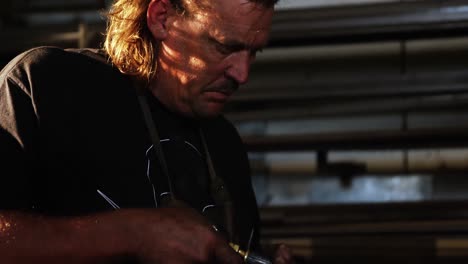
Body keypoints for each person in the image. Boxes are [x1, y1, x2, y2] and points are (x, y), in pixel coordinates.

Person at [0, 0, 294, 263]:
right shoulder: (44, 86)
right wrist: (134, 234)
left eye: (253, 52)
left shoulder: (225, 144)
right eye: (224, 46)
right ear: (161, 18)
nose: (242, 74)